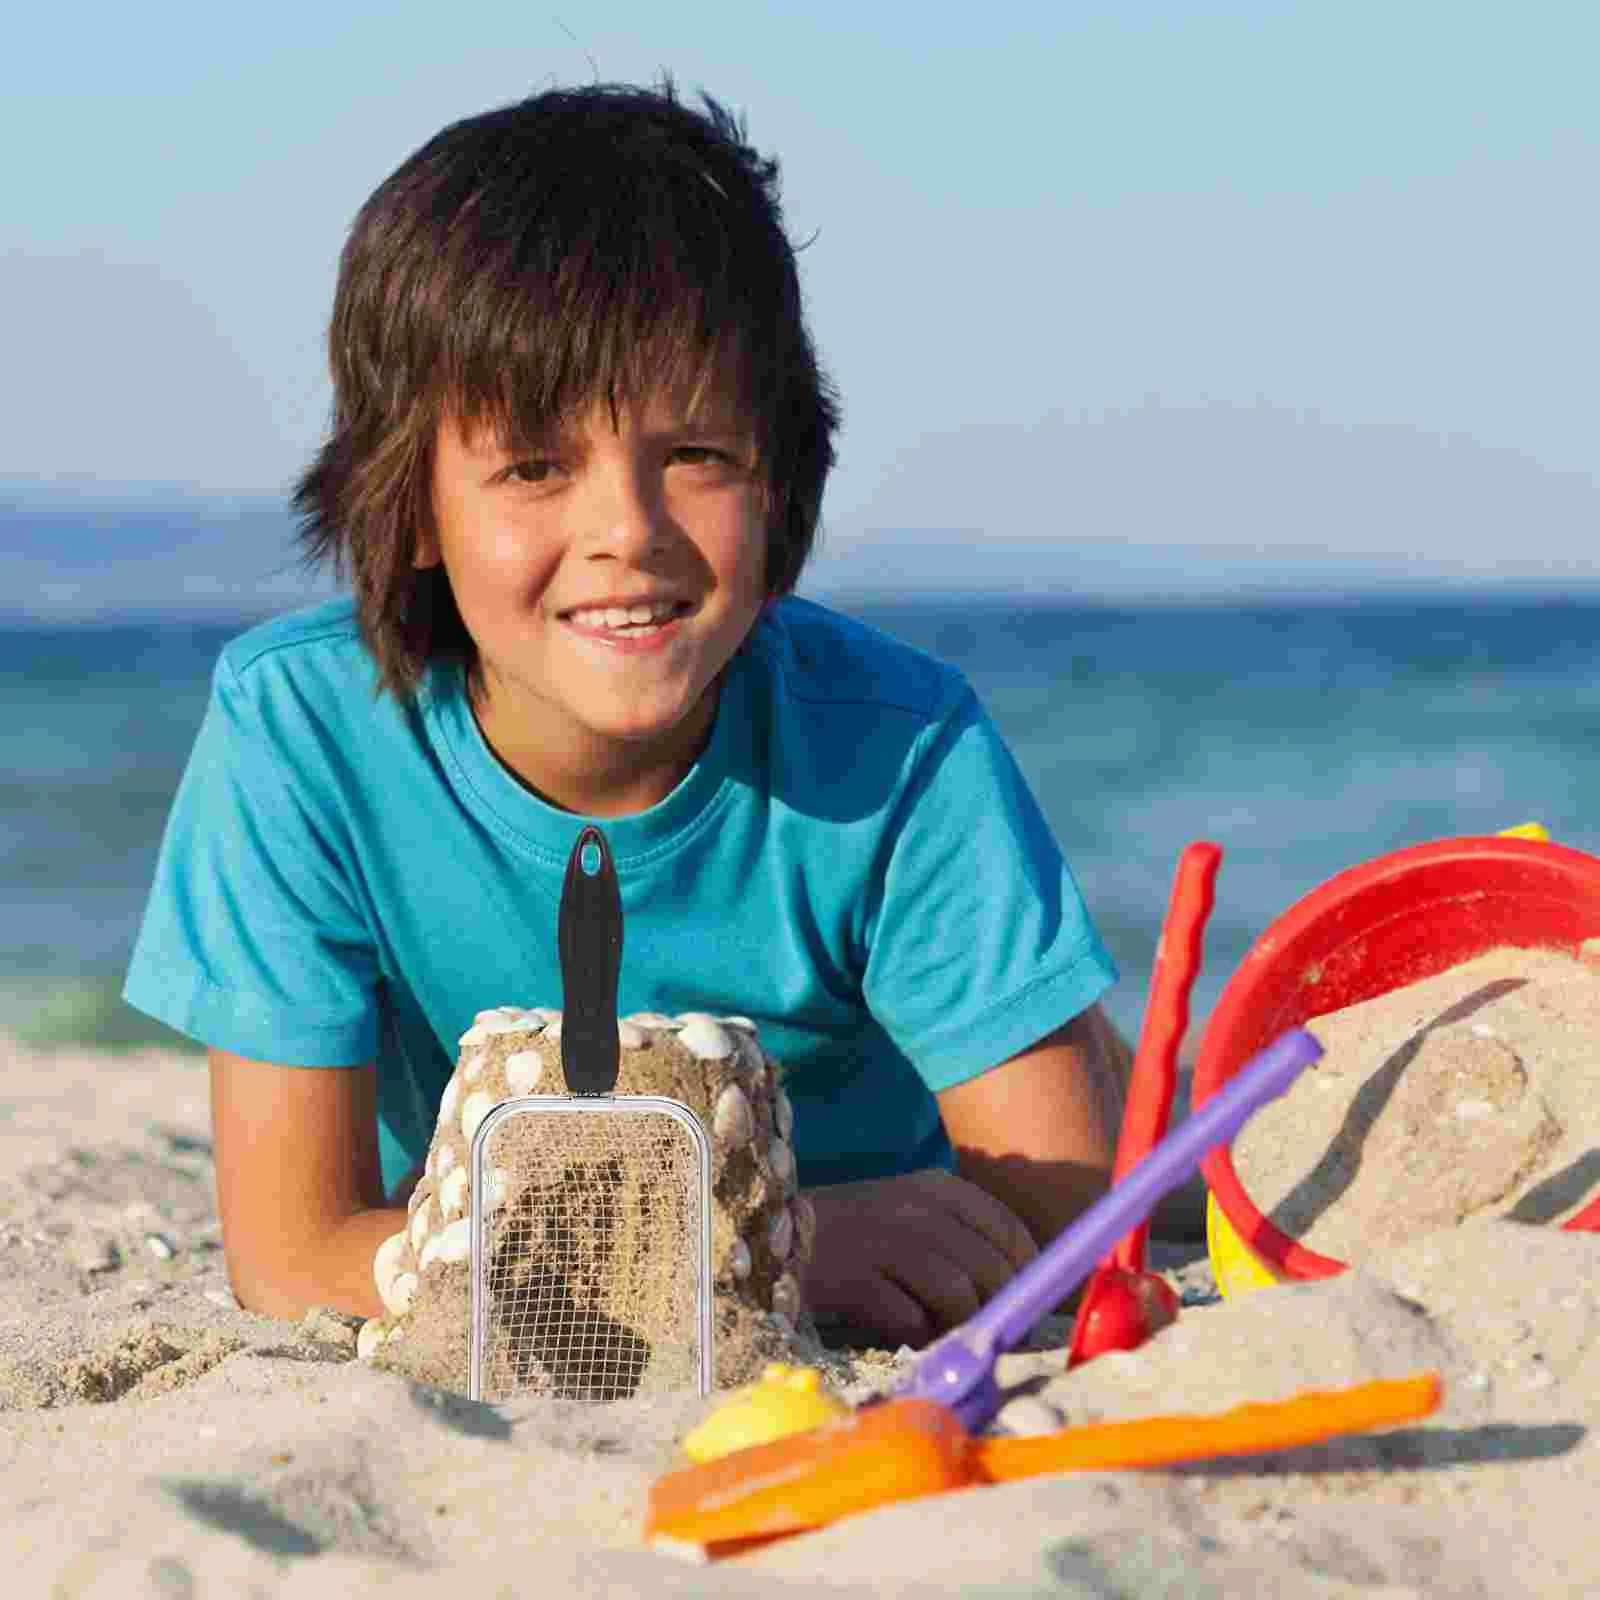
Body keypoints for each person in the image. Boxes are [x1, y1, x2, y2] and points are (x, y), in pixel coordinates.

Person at [124, 78, 1137, 1350]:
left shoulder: (904, 746)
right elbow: (292, 1251)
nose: (626, 533)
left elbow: (1069, 1209)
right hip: (814, 1243)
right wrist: (770, 1247)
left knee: (1174, 1117)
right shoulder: (300, 736)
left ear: (780, 476)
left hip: (896, 1239)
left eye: (696, 454)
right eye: (535, 466)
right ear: (411, 506)